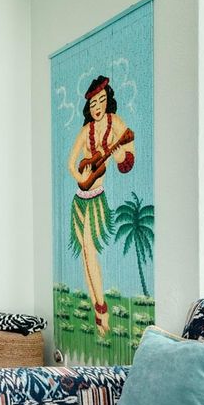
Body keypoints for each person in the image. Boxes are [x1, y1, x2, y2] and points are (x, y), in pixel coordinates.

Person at [66, 75, 135, 336]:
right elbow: (71, 164)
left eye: (102, 100)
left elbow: (129, 157)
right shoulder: (86, 132)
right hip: (80, 197)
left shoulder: (116, 124)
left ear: (108, 101)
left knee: (90, 249)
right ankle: (98, 307)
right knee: (84, 252)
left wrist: (119, 155)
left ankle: (101, 309)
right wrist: (82, 178)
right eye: (94, 102)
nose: (98, 106)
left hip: (96, 198)